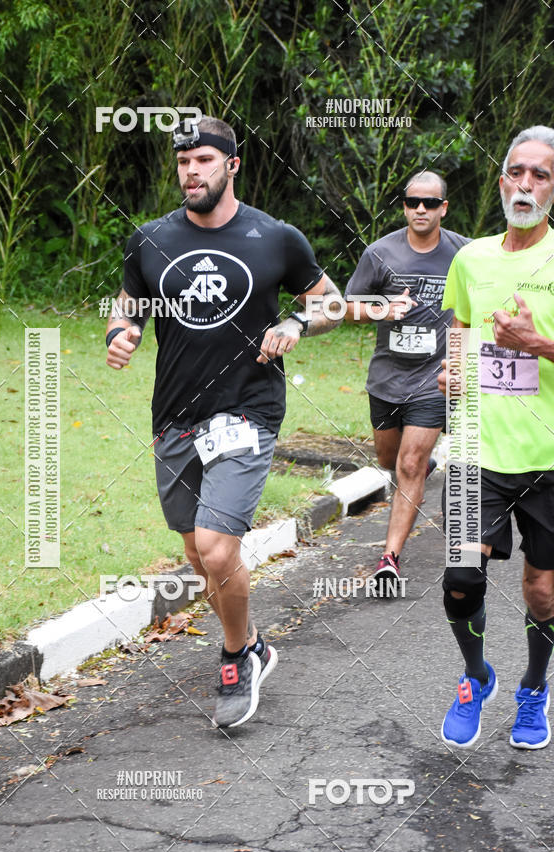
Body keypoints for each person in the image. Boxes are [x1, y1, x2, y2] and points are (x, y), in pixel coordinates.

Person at [105, 115, 343, 728]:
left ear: (231, 166)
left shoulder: (275, 237)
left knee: (216, 548)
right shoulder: (150, 239)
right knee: (195, 550)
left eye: (204, 161)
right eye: (183, 162)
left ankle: (236, 654)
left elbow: (332, 301)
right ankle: (256, 641)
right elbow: (129, 300)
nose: (191, 172)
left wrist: (294, 324)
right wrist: (121, 331)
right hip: (174, 417)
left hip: (247, 410)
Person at [438, 125, 554, 750]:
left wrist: (534, 344)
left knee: (542, 591)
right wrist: (453, 366)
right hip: (474, 450)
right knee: (460, 582)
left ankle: (534, 689)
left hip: (549, 458)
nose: (526, 184)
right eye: (518, 171)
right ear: (501, 178)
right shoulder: (471, 258)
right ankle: (477, 674)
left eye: (540, 174)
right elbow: (459, 326)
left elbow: (526, 344)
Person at [344, 172, 469, 589]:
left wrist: (463, 362)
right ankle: (420, 469)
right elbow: (345, 308)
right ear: (403, 205)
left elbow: (480, 306)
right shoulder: (380, 254)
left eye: (430, 203)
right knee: (390, 461)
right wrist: (381, 308)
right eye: (413, 201)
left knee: (410, 465)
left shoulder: (463, 254)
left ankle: (389, 558)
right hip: (386, 379)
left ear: (443, 208)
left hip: (432, 380)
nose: (420, 209)